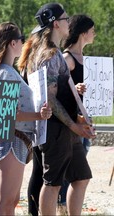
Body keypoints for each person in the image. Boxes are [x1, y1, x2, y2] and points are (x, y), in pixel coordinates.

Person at [18, 3, 95, 216]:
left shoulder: (53, 52)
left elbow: (60, 92)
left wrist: (78, 119)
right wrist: (73, 125)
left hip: (66, 127)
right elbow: (50, 99)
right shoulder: (50, 54)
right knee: (52, 183)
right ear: (55, 24)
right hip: (56, 128)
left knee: (81, 177)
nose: (69, 22)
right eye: (66, 19)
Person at [0, 22, 52, 215]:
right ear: (13, 43)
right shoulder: (5, 73)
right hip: (11, 140)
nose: (23, 42)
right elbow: (8, 116)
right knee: (4, 201)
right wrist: (40, 115)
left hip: (16, 140)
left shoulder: (7, 72)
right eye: (21, 39)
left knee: (11, 201)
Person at [57, 14, 96, 214]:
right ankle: (61, 204)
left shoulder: (89, 61)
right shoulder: (67, 59)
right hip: (71, 124)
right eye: (92, 30)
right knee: (73, 173)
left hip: (85, 121)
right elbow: (59, 93)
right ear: (83, 33)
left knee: (79, 173)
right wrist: (75, 88)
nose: (94, 34)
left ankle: (64, 205)